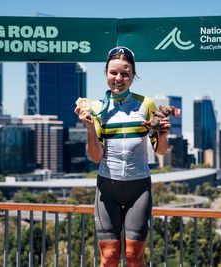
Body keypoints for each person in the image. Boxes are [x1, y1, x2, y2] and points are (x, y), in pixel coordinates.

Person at [74, 46, 171, 267]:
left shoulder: (146, 104)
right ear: (106, 73)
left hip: (139, 188)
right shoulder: (96, 108)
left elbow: (161, 150)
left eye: (125, 74)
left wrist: (163, 134)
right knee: (109, 257)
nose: (119, 78)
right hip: (107, 187)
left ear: (133, 75)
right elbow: (96, 157)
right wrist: (89, 128)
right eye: (113, 73)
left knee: (133, 256)